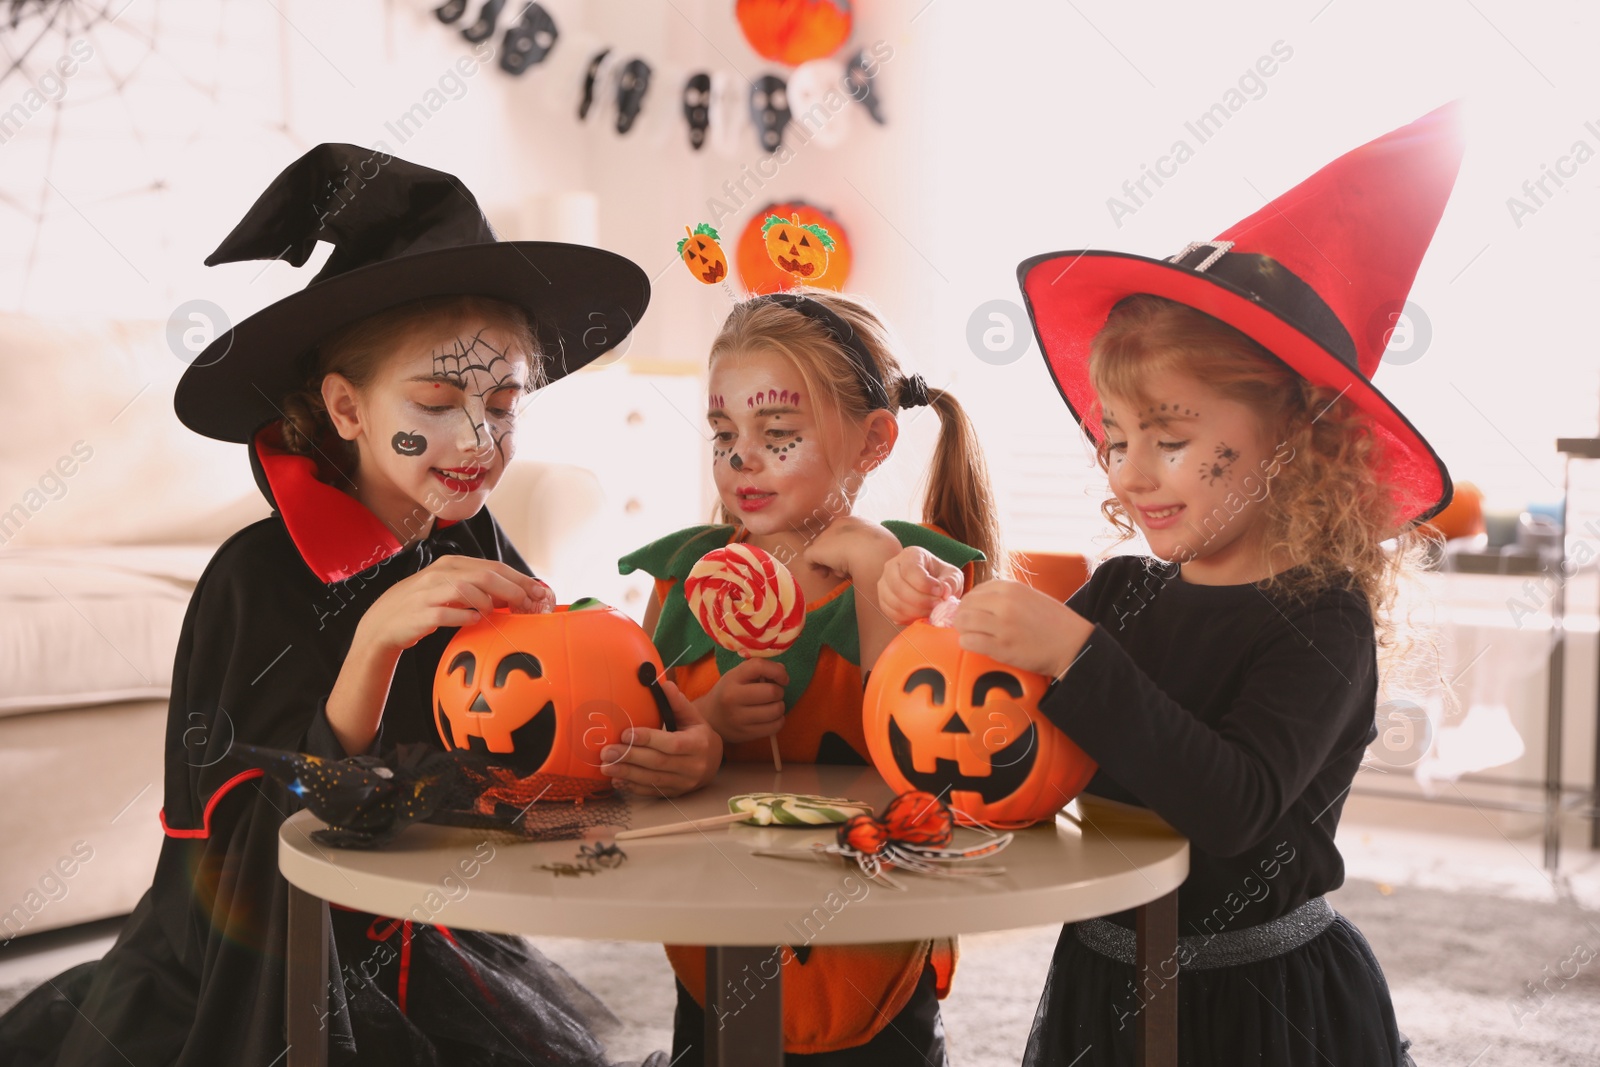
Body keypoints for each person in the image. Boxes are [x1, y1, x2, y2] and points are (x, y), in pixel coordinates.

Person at [0, 144, 710, 1067]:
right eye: (437, 399)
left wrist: (671, 729)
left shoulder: (471, 536)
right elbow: (260, 847)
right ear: (346, 408)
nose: (478, 438)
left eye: (504, 402)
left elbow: (561, 693)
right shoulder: (251, 579)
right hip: (261, 964)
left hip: (415, 936)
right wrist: (372, 643)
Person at [881, 103, 1464, 1065]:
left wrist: (1073, 653)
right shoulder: (1121, 594)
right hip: (1104, 970)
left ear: (1297, 436)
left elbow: (1232, 805)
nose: (1130, 471)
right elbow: (1004, 729)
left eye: (1172, 439)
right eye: (1114, 438)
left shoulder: (1320, 620)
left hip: (1257, 1001)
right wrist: (942, 615)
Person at [612, 288, 1002, 1064]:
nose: (740, 459)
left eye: (778, 433)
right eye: (723, 433)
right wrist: (709, 722)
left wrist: (873, 568)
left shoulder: (918, 579)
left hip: (874, 937)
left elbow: (923, 757)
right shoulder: (686, 579)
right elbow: (629, 748)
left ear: (873, 441)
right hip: (719, 934)